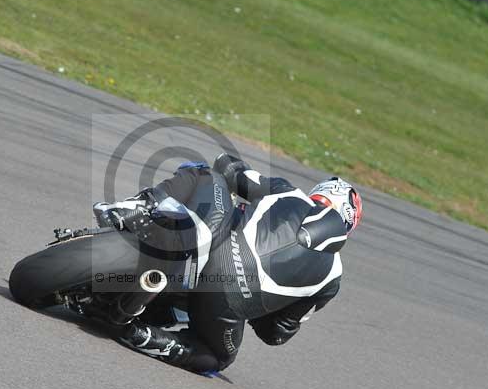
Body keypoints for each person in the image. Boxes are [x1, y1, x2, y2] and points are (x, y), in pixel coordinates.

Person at [92, 153, 363, 373]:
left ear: (320, 193)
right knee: (217, 357)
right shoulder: (332, 279)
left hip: (213, 243)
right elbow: (275, 334)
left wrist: (230, 164)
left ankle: (138, 206)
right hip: (228, 301)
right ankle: (146, 336)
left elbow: (229, 168)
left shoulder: (287, 192)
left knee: (203, 172)